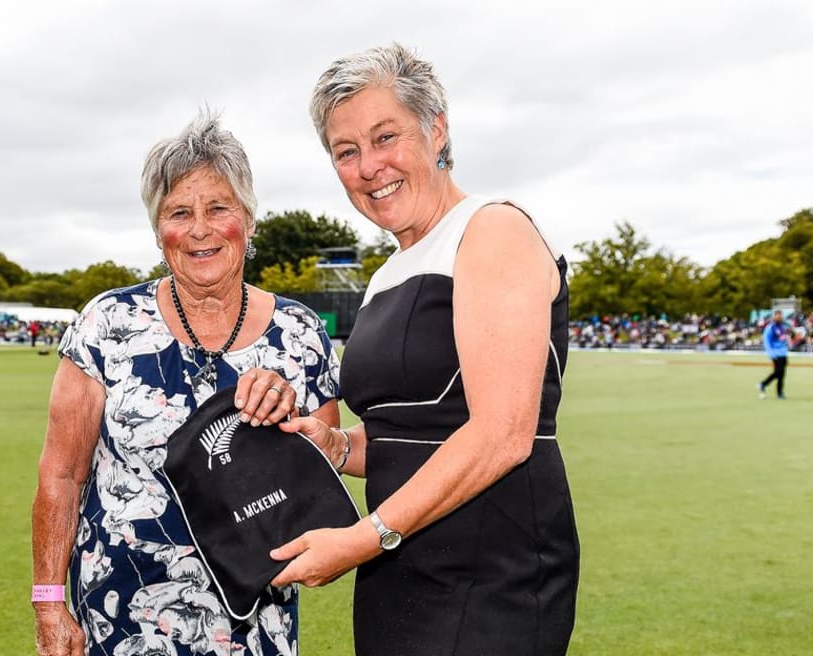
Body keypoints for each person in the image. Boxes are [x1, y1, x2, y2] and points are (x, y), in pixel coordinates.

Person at [272, 43, 580, 655]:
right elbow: (405, 433)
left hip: (494, 574)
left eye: (386, 137)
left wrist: (364, 537)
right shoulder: (389, 272)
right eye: (346, 151)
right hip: (402, 572)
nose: (369, 167)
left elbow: (503, 433)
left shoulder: (492, 229)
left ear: (436, 130)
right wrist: (334, 445)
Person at [31, 111, 342, 656]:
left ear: (248, 219)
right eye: (179, 212)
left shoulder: (299, 333)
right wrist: (49, 603)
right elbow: (61, 474)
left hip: (252, 628)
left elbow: (323, 484)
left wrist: (291, 426)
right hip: (119, 620)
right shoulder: (107, 323)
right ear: (158, 230)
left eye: (218, 208)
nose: (199, 228)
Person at [758, 310, 790, 400]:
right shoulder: (770, 327)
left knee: (782, 374)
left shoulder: (783, 326)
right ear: (774, 316)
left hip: (783, 353)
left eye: (780, 316)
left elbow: (784, 338)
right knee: (777, 372)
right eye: (777, 316)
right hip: (775, 353)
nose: (779, 318)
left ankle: (779, 393)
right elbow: (766, 341)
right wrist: (771, 354)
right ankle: (763, 384)